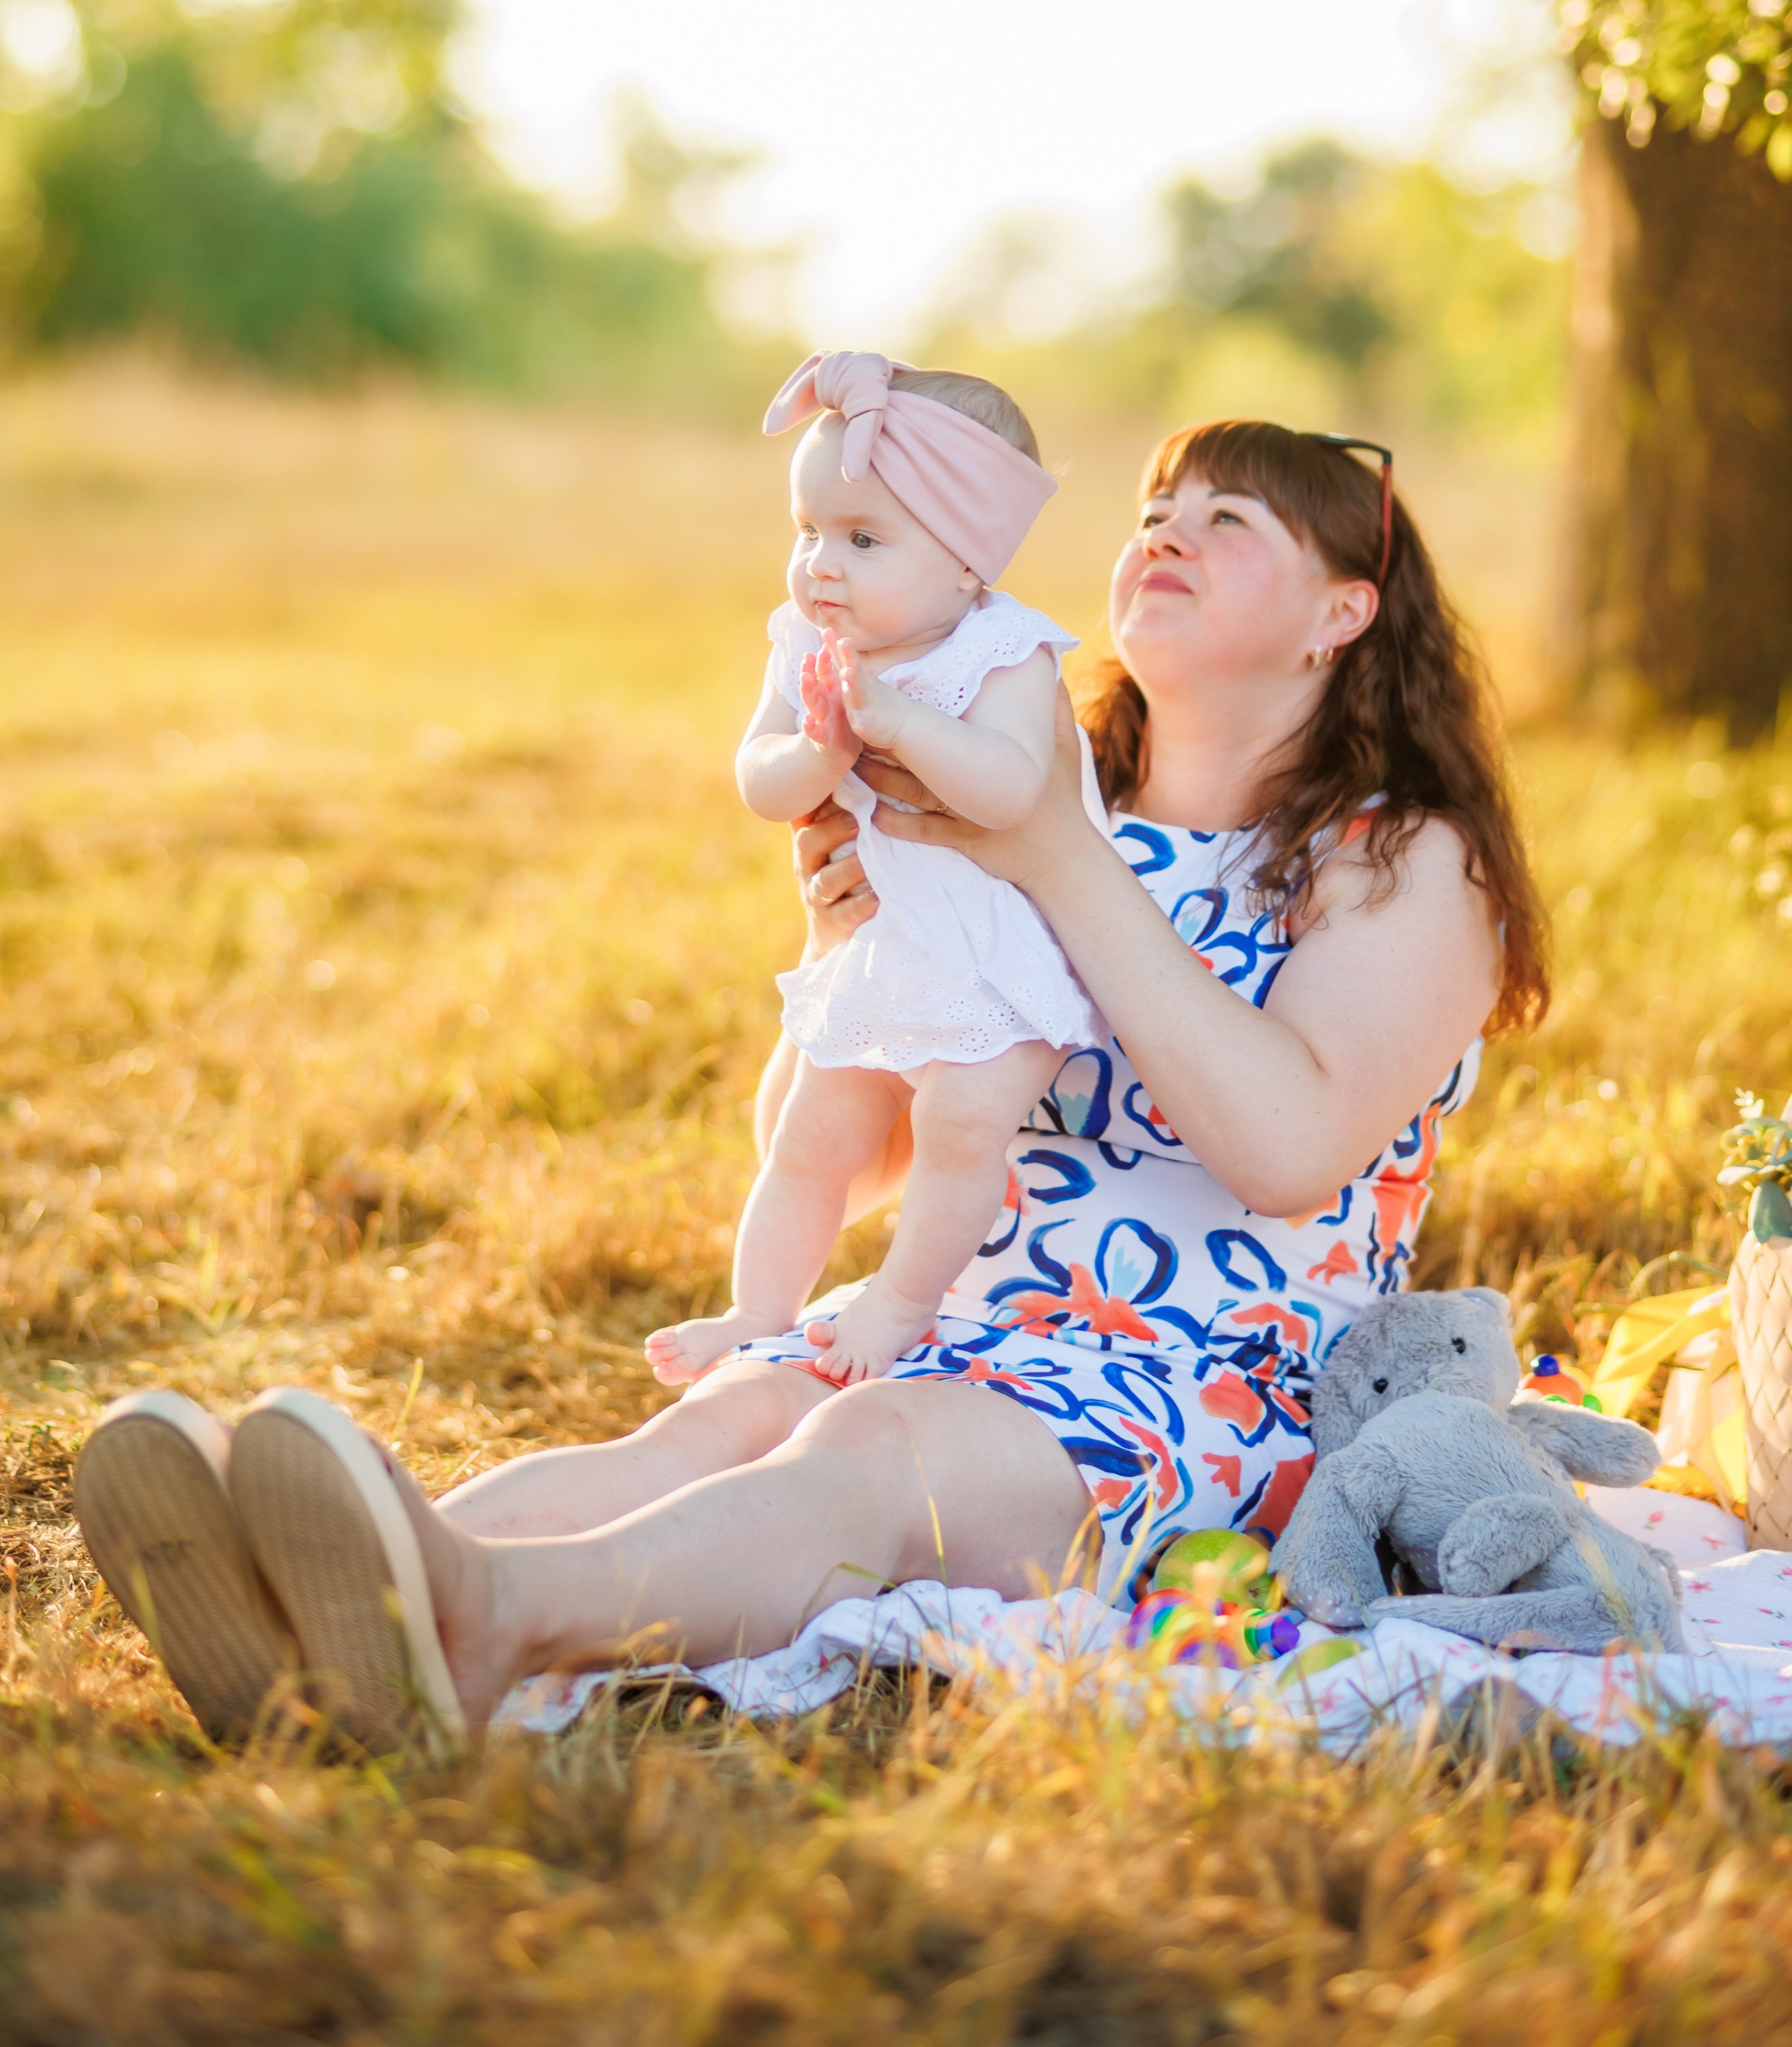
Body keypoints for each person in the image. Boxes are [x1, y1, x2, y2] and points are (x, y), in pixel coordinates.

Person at [72, 418, 1546, 1751]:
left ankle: (476, 1627)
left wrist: (1050, 856)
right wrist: (839, 957)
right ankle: (322, 1608)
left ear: (1338, 616)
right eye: (1158, 505)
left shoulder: (1397, 859)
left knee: (862, 1445)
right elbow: (846, 1158)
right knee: (704, 1431)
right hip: (950, 1312)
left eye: (1231, 523)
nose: (1165, 531)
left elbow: (1288, 1148)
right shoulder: (1023, 799)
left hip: (1208, 1389)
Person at [648, 351, 1106, 1392]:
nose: (822, 565)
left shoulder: (1005, 654)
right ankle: (756, 1310)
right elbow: (761, 778)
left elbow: (1009, 791)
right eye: (807, 532)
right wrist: (818, 752)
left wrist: (898, 723)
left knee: (957, 1123)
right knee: (813, 1135)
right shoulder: (806, 642)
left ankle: (900, 1302)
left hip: (1005, 961)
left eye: (862, 539)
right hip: (889, 947)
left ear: (965, 563)